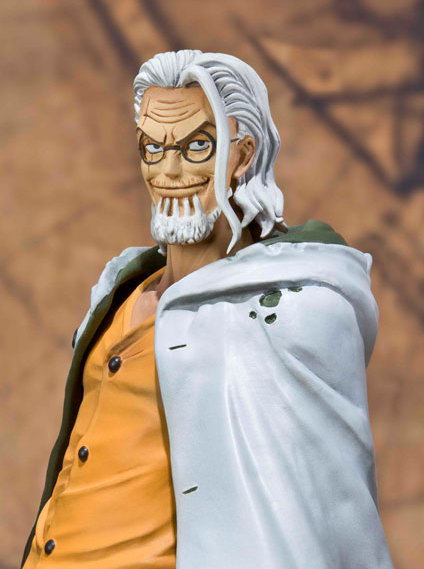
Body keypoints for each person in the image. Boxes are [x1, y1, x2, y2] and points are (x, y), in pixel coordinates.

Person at [21, 50, 393, 568]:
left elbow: (336, 511)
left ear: (243, 155)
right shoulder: (120, 291)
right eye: (152, 148)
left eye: (197, 146)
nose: (168, 171)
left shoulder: (289, 312)